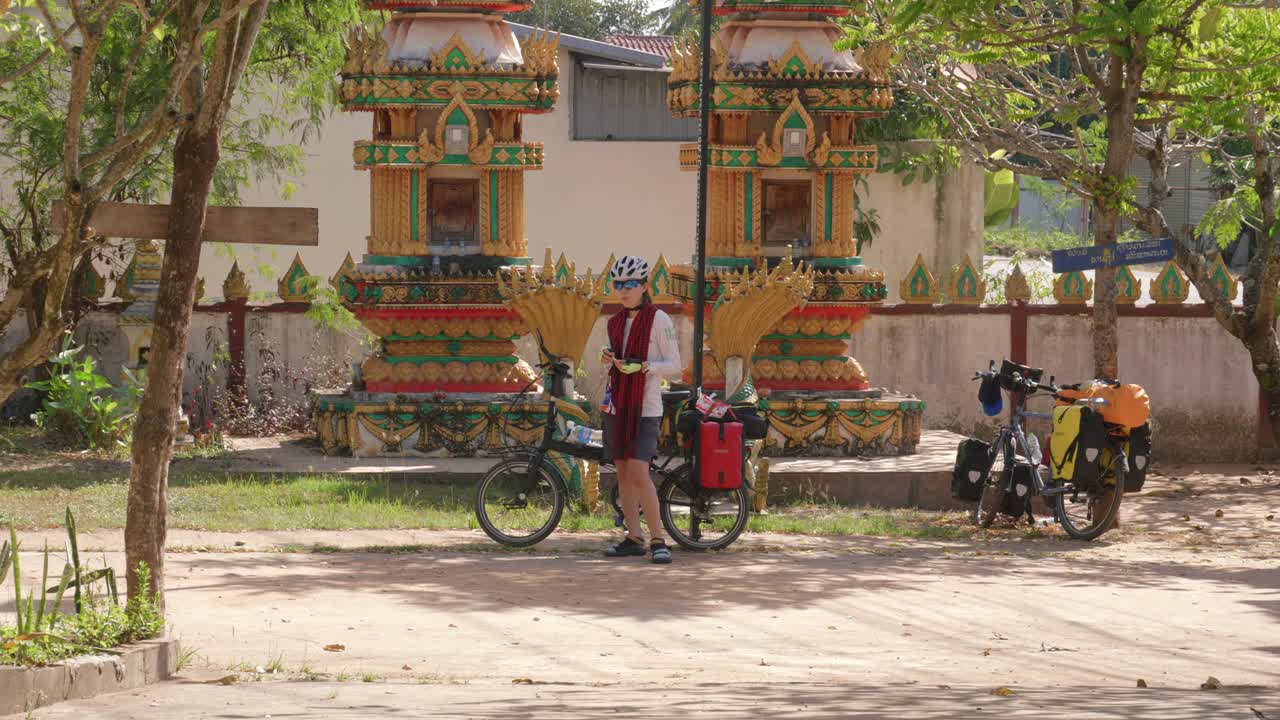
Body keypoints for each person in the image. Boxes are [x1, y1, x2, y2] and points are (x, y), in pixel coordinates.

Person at [600, 255, 681, 564]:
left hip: (645, 407)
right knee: (621, 470)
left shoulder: (659, 319)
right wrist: (610, 360)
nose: (624, 290)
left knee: (638, 470)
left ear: (645, 286)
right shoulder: (615, 322)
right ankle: (634, 537)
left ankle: (660, 540)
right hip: (618, 405)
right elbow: (619, 361)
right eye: (618, 284)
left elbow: (674, 365)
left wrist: (643, 367)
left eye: (630, 284)